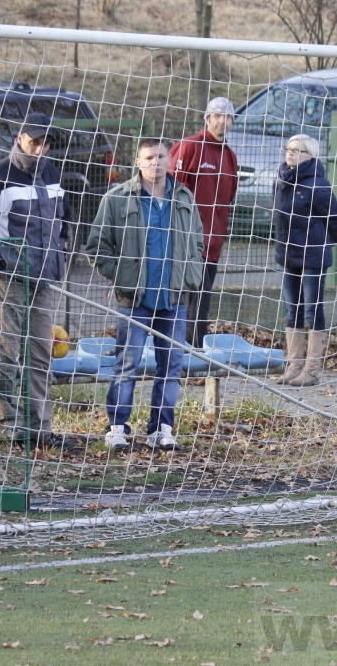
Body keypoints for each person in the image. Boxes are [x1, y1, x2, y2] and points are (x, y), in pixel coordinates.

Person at [0, 111, 77, 450]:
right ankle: (7, 429)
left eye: (46, 142)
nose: (41, 148)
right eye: (35, 141)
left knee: (41, 354)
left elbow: (64, 221)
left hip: (45, 280)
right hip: (7, 281)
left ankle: (39, 429)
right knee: (7, 353)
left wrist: (63, 253)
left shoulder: (53, 174)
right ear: (20, 139)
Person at [87, 139, 204, 450]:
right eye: (149, 157)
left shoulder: (184, 197)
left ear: (170, 160)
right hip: (135, 300)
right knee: (128, 365)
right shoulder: (117, 199)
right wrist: (123, 276)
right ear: (138, 162)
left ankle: (161, 429)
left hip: (173, 299)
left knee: (171, 368)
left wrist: (190, 276)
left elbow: (197, 244)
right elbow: (97, 247)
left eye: (161, 156)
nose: (155, 162)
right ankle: (117, 428)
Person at [273, 134, 337, 387]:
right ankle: (294, 366)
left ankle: (313, 369)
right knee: (291, 309)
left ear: (310, 156)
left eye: (297, 150)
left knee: (312, 309)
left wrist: (321, 242)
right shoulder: (282, 181)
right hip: (288, 256)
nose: (290, 153)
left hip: (313, 257)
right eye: (289, 149)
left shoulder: (319, 185)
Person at [170, 96, 240, 348]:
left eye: (228, 116)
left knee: (201, 303)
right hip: (185, 242)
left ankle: (195, 353)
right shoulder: (189, 147)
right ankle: (178, 354)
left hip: (213, 244)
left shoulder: (230, 156)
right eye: (218, 116)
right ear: (207, 119)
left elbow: (227, 200)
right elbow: (170, 189)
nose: (223, 121)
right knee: (181, 301)